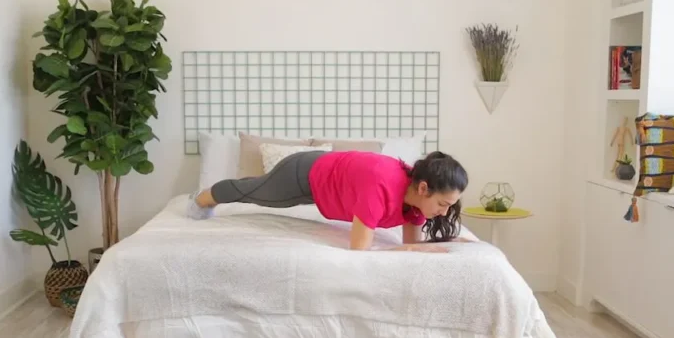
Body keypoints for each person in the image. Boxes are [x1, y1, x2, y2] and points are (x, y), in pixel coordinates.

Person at [186, 150, 469, 251]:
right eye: (443, 204)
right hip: (302, 175)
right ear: (423, 188)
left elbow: (410, 246)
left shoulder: (416, 203)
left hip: (324, 178)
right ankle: (203, 197)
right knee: (252, 192)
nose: (444, 213)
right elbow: (359, 249)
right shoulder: (381, 187)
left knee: (255, 188)